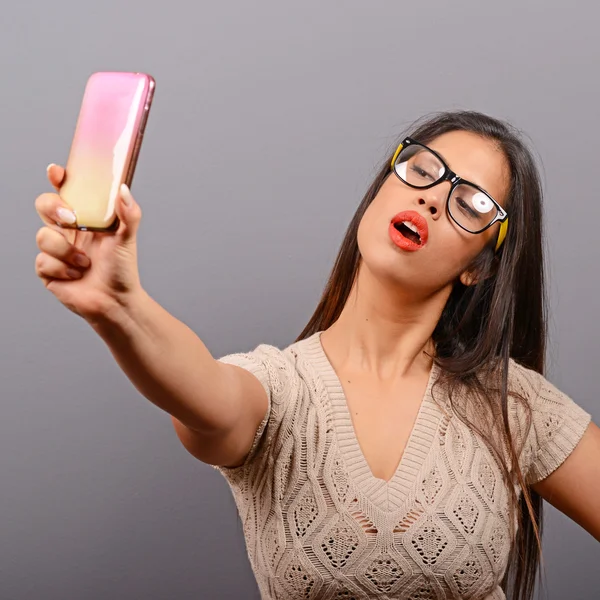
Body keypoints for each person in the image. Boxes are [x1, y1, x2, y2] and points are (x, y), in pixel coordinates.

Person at [34, 110, 599, 600]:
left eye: (471, 204)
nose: (430, 197)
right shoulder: (278, 390)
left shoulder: (510, 403)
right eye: (422, 170)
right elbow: (204, 392)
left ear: (480, 265)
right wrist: (119, 306)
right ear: (382, 190)